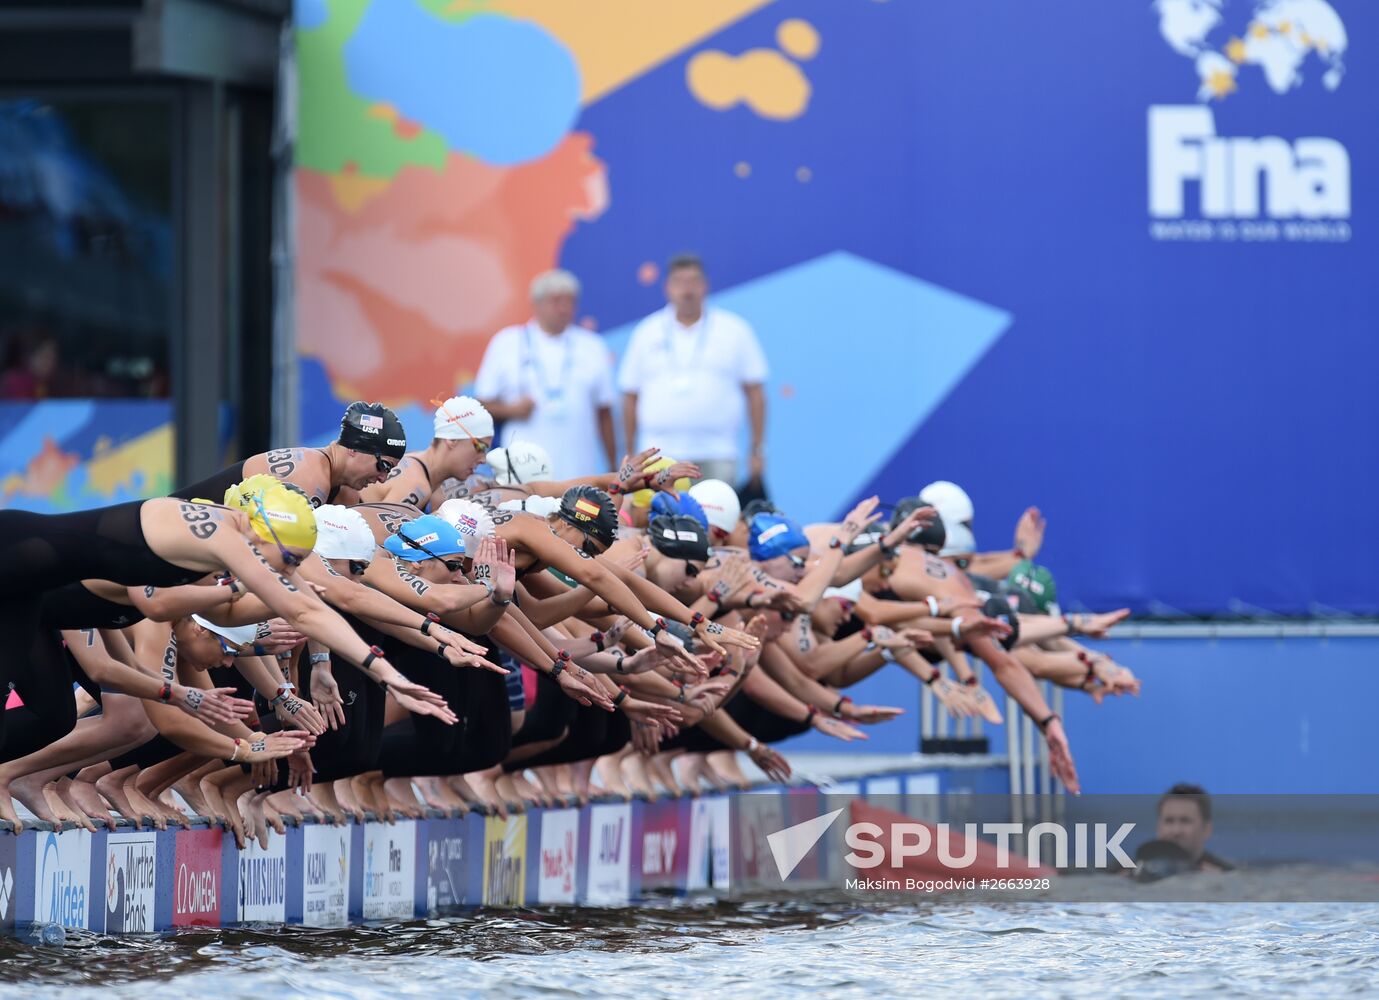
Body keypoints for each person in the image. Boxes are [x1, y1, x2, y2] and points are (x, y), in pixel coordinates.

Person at [618, 254, 768, 486]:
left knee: (714, 519)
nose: (687, 290)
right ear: (667, 288)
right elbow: (630, 396)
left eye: (694, 281)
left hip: (717, 451)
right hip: (658, 454)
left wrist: (757, 449)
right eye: (680, 282)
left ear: (705, 286)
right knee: (656, 520)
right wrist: (629, 452)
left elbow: (755, 392)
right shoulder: (646, 332)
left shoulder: (734, 330)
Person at [473, 269, 617, 478]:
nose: (564, 309)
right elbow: (481, 404)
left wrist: (613, 466)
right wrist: (511, 410)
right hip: (521, 472)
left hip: (578, 471)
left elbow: (604, 412)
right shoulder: (507, 341)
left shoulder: (593, 345)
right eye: (556, 301)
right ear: (537, 304)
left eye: (570, 302)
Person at [170, 401, 408, 508]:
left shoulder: (344, 492)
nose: (383, 479)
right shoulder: (310, 476)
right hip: (168, 527)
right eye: (383, 466)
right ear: (355, 449)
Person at [1152, 782, 1234, 873]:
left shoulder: (1226, 875)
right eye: (1169, 821)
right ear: (1158, 828)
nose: (1176, 831)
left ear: (1206, 829)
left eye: (1185, 821)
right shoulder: (1137, 871)